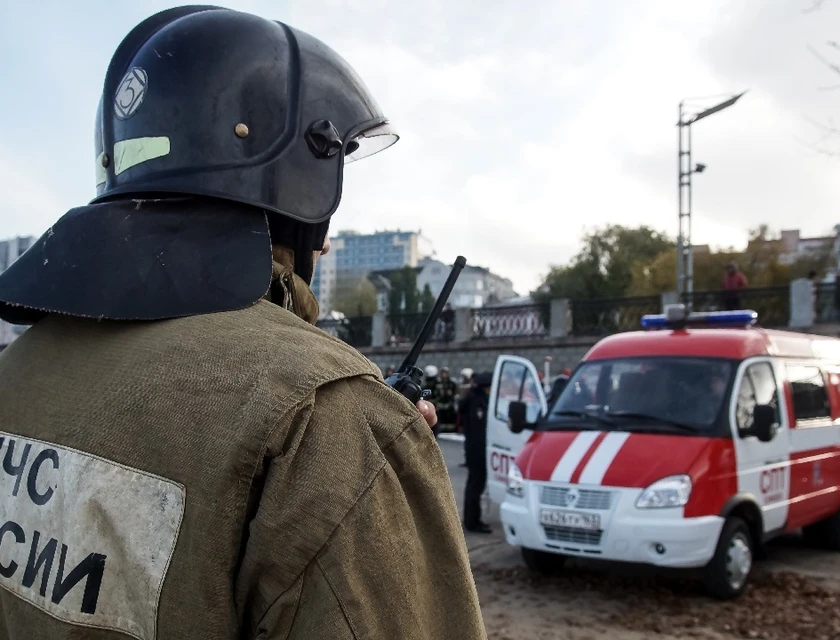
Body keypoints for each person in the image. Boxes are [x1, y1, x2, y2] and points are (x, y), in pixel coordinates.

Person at [0, 7, 484, 639]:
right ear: (298, 189)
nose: (329, 247)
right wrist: (367, 448)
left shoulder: (18, 368)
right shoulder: (323, 416)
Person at [461, 372, 493, 534]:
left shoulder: (473, 398)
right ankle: (473, 521)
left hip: (474, 448)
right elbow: (479, 429)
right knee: (475, 485)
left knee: (474, 485)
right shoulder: (478, 402)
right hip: (477, 449)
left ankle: (472, 519)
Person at [434, 366, 459, 431]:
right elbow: (435, 394)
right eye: (442, 373)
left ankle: (450, 430)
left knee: (449, 420)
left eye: (445, 373)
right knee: (441, 420)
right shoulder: (438, 383)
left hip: (449, 406)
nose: (444, 374)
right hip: (440, 405)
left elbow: (455, 394)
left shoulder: (451, 383)